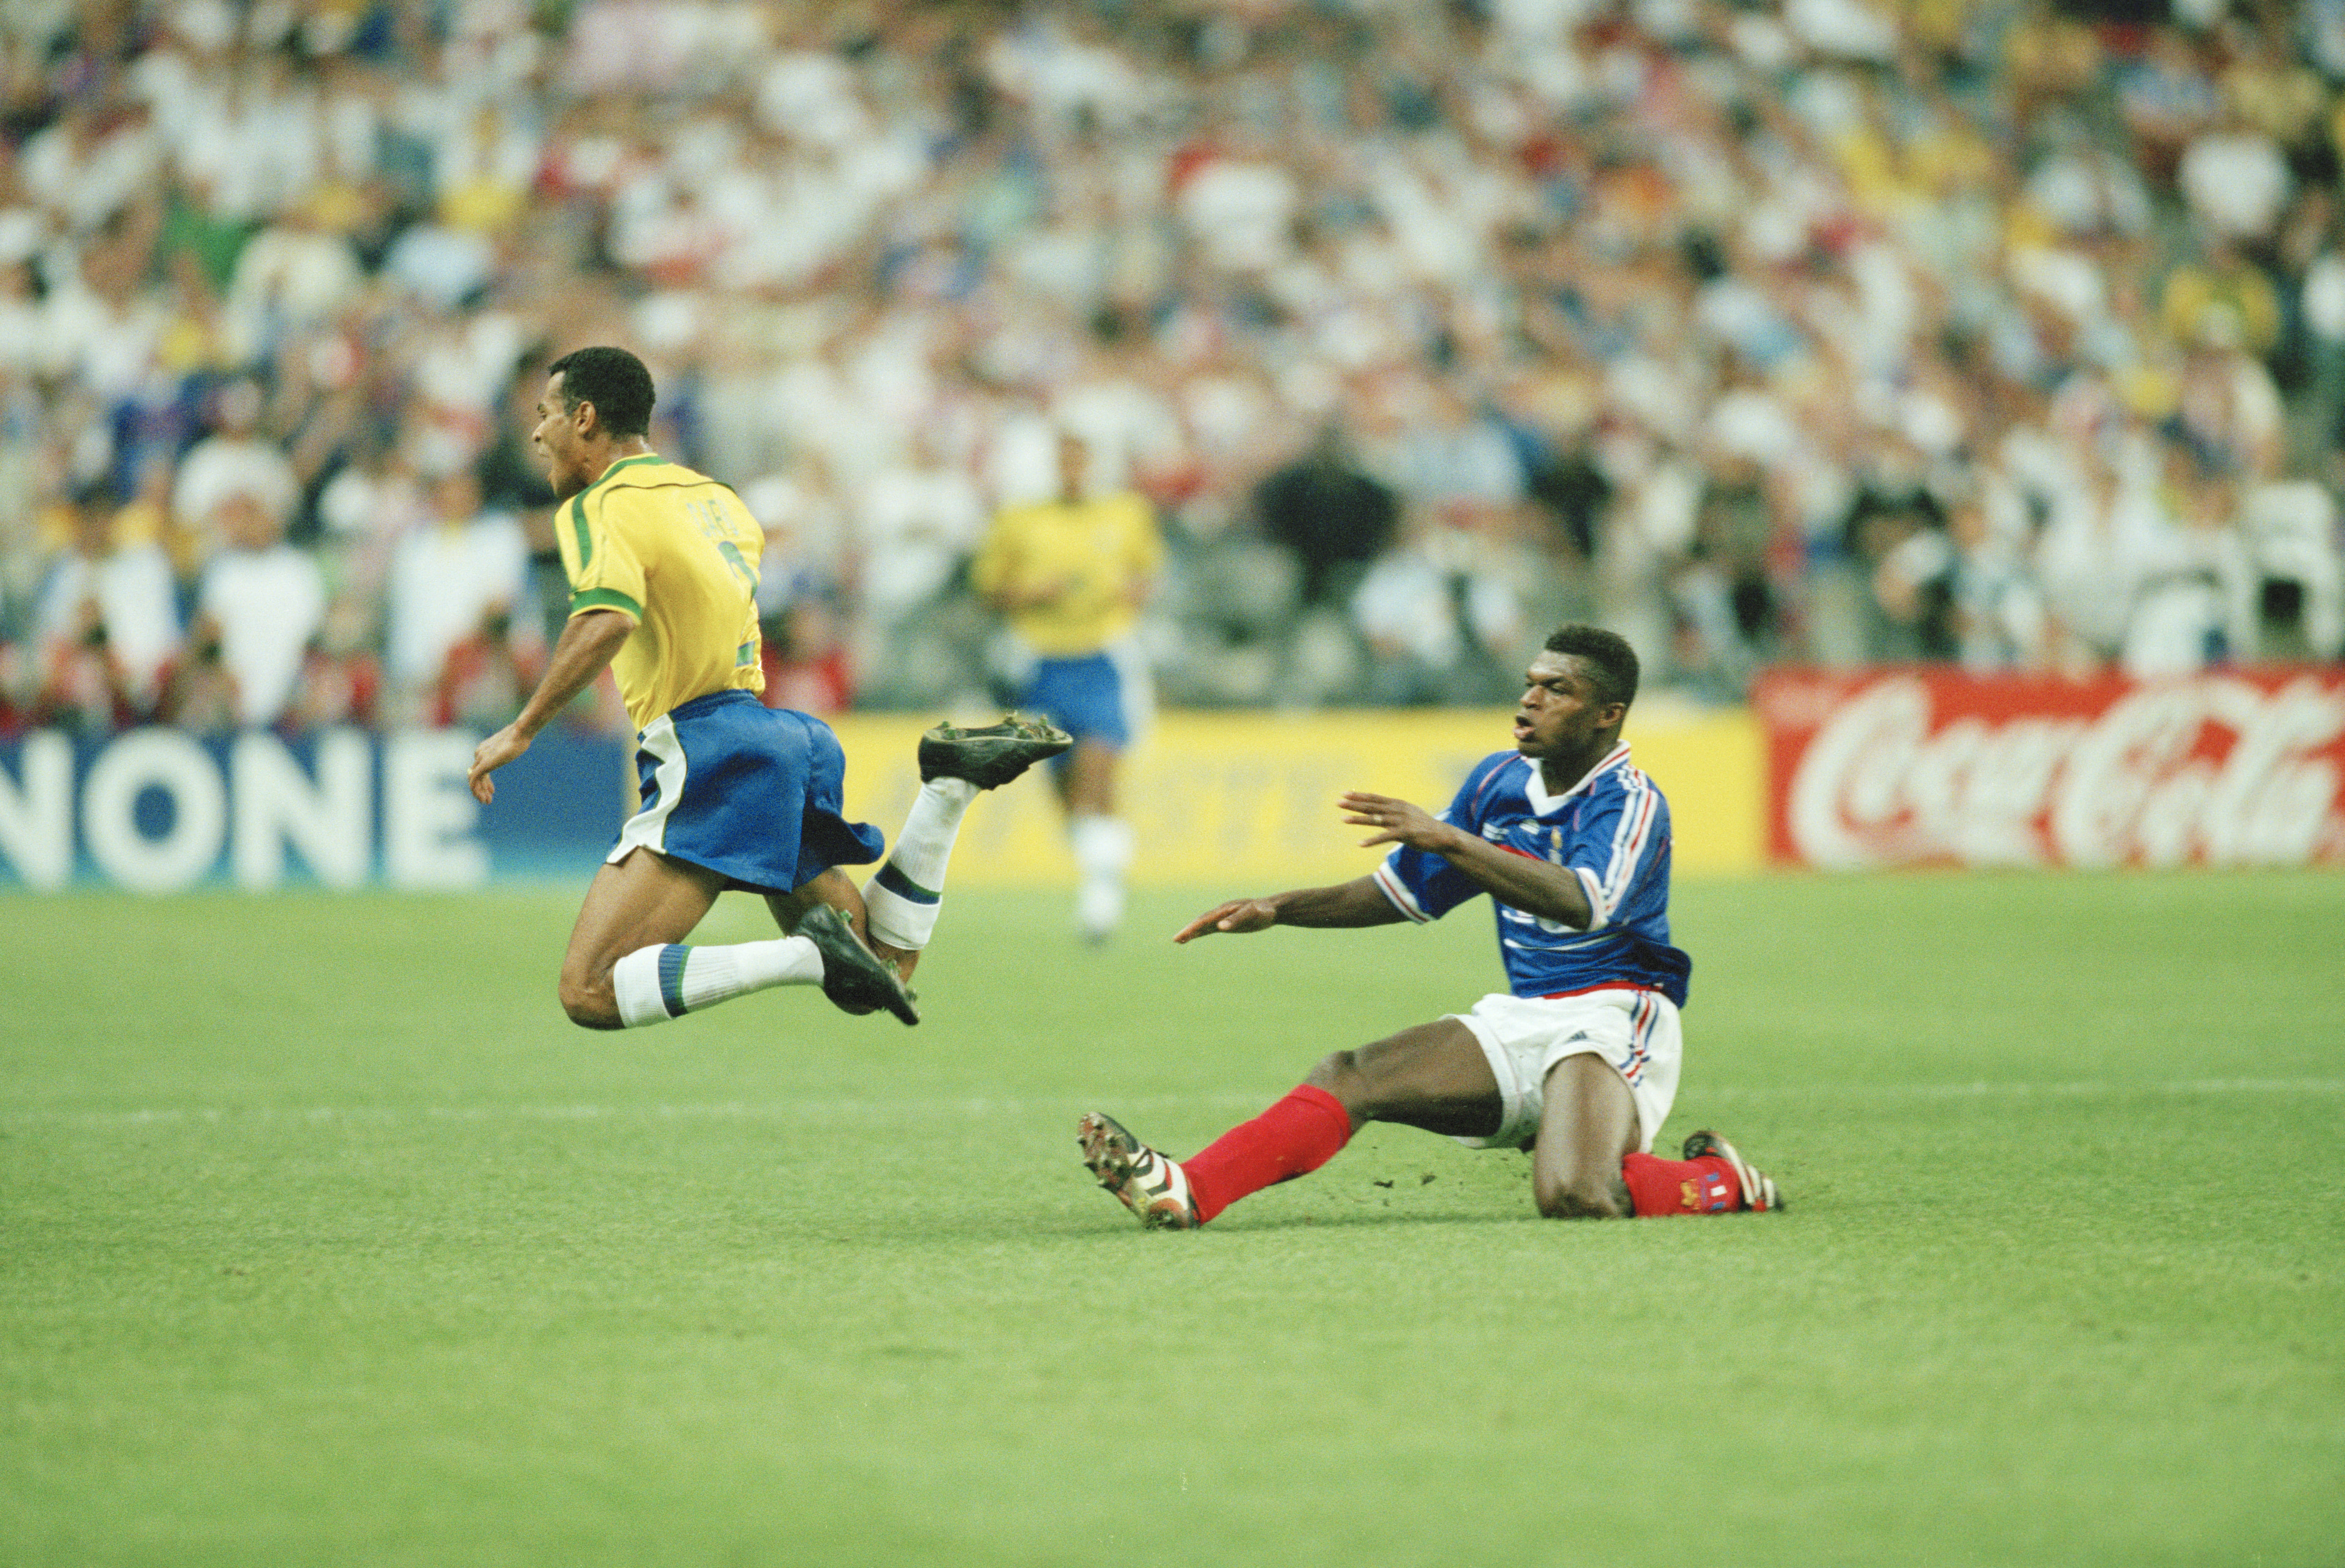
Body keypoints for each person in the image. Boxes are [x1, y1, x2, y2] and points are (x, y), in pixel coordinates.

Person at [1077, 624, 1783, 1228]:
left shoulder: (1629, 801)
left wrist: (1450, 839)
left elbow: (1582, 901)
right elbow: (1400, 894)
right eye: (1531, 681)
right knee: (1352, 1075)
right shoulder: (1497, 783)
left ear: (1607, 714)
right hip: (1527, 1015)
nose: (1530, 697)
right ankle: (1188, 1188)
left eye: (1557, 689)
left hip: (1616, 1016)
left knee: (1574, 1194)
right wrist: (1280, 909)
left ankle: (1723, 1181)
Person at [466, 346, 1068, 1033]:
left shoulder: (599, 504)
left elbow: (608, 614)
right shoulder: (719, 502)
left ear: (586, 417)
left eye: (546, 415)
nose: (538, 432)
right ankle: (947, 789)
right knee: (874, 973)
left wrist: (522, 728)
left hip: (708, 746)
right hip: (777, 735)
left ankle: (808, 955)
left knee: (591, 990)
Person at [971, 428, 1162, 943]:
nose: (1072, 469)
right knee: (1064, 784)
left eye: (1081, 459)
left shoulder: (1125, 513)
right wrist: (1030, 591)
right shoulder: (1020, 519)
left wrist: (1130, 591)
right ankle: (1102, 862)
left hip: (1104, 655)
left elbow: (1147, 577)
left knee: (1099, 767)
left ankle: (1102, 898)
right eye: (1064, 460)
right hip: (1040, 660)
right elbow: (988, 586)